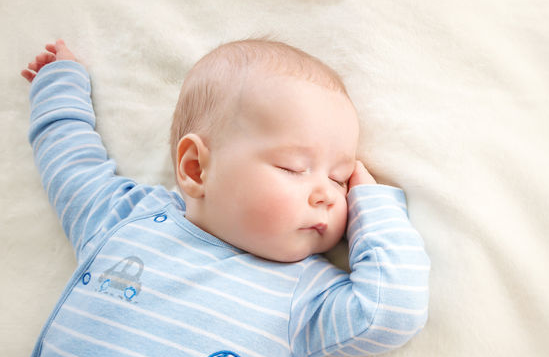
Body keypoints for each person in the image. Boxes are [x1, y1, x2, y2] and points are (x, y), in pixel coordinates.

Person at [21, 38, 430, 357]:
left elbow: (391, 312)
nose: (326, 193)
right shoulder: (124, 220)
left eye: (340, 178)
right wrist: (59, 85)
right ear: (196, 168)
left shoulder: (305, 298)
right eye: (292, 167)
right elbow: (71, 163)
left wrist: (370, 205)